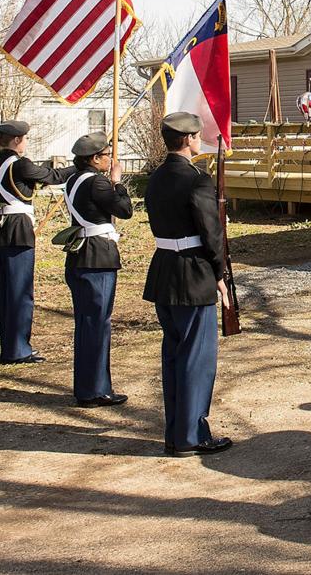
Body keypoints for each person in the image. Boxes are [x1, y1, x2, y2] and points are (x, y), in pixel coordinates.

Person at [144, 112, 233, 456]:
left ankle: (175, 432)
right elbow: (211, 234)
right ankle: (192, 435)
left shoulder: (156, 177)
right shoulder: (197, 179)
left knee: (174, 355)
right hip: (193, 272)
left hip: (165, 268)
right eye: (197, 136)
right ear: (190, 139)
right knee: (197, 358)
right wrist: (219, 274)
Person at [0, 120, 75, 364]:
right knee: (20, 291)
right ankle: (18, 349)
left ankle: (9, 345)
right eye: (24, 138)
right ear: (16, 140)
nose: (26, 142)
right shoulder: (20, 164)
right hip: (17, 228)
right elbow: (53, 176)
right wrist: (77, 165)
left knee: (5, 291)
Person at [63, 132, 133, 407]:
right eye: (106, 155)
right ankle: (95, 389)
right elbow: (125, 210)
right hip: (96, 256)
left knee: (86, 324)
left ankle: (87, 385)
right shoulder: (98, 182)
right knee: (97, 324)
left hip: (81, 253)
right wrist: (117, 182)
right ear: (94, 159)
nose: (110, 159)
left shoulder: (73, 180)